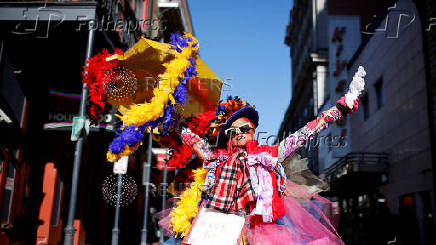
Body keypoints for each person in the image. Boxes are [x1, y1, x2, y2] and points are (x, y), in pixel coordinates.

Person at [163, 67, 366, 244]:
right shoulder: (219, 158)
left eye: (243, 128)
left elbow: (306, 132)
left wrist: (340, 108)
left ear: (252, 130)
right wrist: (170, 115)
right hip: (218, 230)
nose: (238, 133)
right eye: (232, 131)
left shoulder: (268, 155)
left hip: (257, 233)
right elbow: (193, 140)